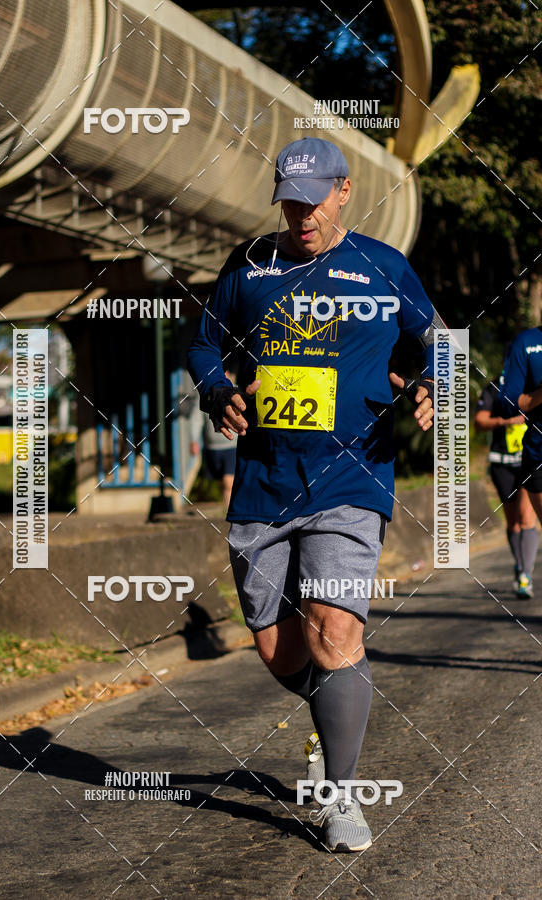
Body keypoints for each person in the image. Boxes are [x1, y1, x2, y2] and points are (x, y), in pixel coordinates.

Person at [187, 137, 440, 853]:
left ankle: (341, 793)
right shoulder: (248, 267)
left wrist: (431, 387)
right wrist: (217, 391)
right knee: (282, 654)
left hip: (353, 477)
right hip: (265, 482)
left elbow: (440, 346)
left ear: (344, 190)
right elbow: (204, 346)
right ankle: (335, 722)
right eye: (289, 202)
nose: (301, 215)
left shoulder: (384, 269)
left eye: (314, 199)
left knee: (335, 631)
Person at [475, 366, 537, 597]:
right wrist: (505, 422)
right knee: (513, 522)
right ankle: (520, 566)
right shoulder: (494, 387)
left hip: (528, 461)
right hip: (501, 463)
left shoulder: (534, 386)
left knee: (526, 516)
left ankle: (525, 575)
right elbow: (479, 421)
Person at [500, 327, 542, 594]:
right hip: (538, 455)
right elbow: (507, 403)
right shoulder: (526, 342)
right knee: (519, 518)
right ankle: (523, 572)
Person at [190, 370, 238, 509]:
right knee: (221, 482)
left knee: (228, 481)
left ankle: (230, 511)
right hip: (211, 447)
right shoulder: (205, 394)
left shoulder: (236, 393)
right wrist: (194, 440)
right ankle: (227, 507)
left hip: (231, 445)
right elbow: (196, 420)